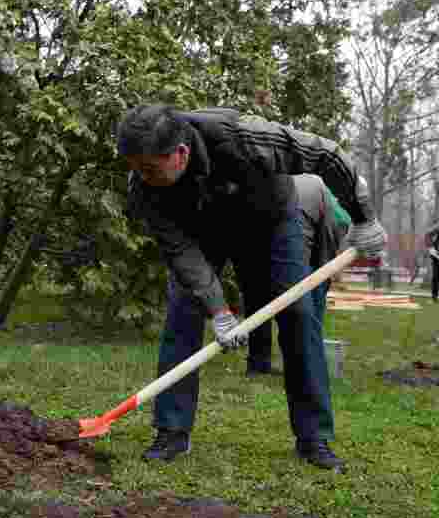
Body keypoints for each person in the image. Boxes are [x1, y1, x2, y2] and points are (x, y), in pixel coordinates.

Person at [118, 105, 386, 471]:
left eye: (149, 168)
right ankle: (172, 432)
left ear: (180, 154)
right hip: (202, 232)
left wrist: (364, 217)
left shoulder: (243, 137)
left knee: (299, 315)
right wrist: (219, 309)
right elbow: (181, 252)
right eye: (135, 168)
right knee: (182, 312)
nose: (141, 177)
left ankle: (313, 438)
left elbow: (326, 154)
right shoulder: (144, 187)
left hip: (271, 222)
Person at [238, 174, 352, 376]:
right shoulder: (335, 209)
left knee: (258, 298)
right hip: (290, 237)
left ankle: (258, 363)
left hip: (261, 229)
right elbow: (326, 245)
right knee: (301, 305)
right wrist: (323, 274)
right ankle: (303, 366)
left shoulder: (296, 181)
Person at [425, 219, 439, 302]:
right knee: (436, 276)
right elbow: (427, 235)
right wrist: (430, 247)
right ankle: (434, 297)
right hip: (438, 255)